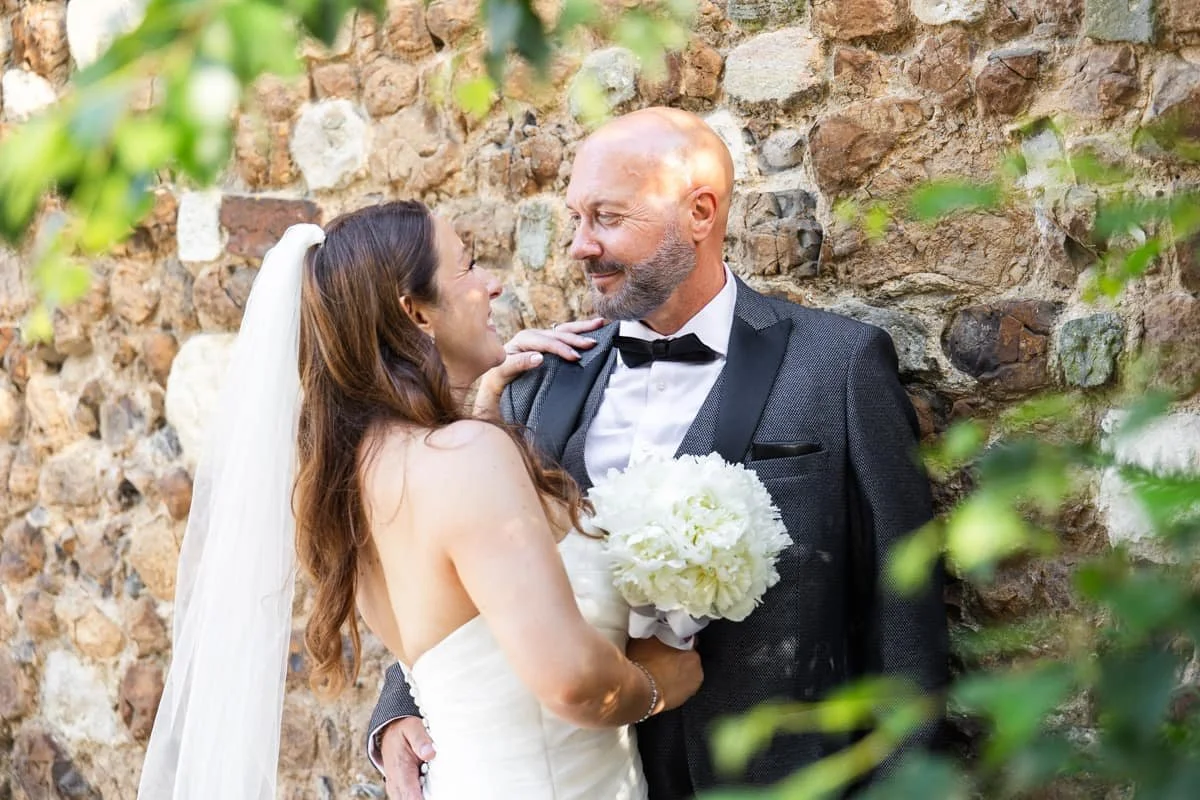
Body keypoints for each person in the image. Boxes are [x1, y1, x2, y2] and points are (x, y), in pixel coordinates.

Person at [370, 107, 950, 799]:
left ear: (700, 213)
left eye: (606, 218)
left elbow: (905, 610)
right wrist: (401, 702)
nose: (580, 246)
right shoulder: (539, 382)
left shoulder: (837, 366)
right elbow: (465, 570)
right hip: (590, 772)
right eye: (575, 218)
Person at [136, 201, 703, 799]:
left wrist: (476, 410)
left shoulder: (344, 480)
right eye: (470, 267)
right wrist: (660, 683)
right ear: (416, 312)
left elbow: (462, 611)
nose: (493, 284)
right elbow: (572, 683)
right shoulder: (466, 459)